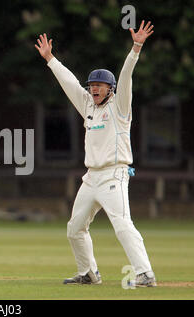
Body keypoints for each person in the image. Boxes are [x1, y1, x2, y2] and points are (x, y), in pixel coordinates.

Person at [35, 21, 156, 287]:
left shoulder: (120, 105)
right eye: (92, 85)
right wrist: (50, 59)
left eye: (100, 86)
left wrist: (136, 47)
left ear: (110, 89)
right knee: (75, 228)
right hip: (91, 177)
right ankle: (89, 273)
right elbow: (69, 83)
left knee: (122, 224)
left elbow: (126, 77)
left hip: (115, 172)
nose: (95, 89)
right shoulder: (88, 105)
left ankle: (145, 273)